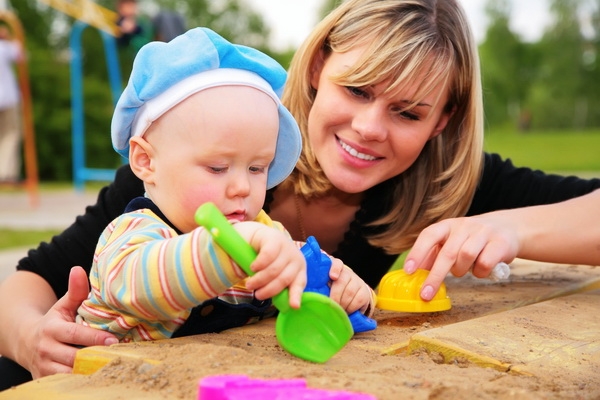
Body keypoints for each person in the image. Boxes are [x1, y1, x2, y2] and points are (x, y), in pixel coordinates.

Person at [1, 0, 600, 388]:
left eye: (408, 112)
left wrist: (513, 229)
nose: (370, 127)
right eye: (358, 90)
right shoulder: (205, 153)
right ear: (317, 67)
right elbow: (36, 276)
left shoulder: (447, 183)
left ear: (442, 122)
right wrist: (29, 335)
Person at [75, 27, 372, 343]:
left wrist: (347, 291)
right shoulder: (133, 236)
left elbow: (313, 286)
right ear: (147, 162)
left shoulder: (270, 240)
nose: (242, 187)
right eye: (217, 168)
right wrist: (227, 250)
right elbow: (137, 288)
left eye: (257, 168)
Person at [0, 24, 23, 183]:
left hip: (7, 97)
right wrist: (10, 37)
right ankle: (6, 173)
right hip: (7, 98)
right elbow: (20, 54)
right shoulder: (5, 47)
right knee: (11, 134)